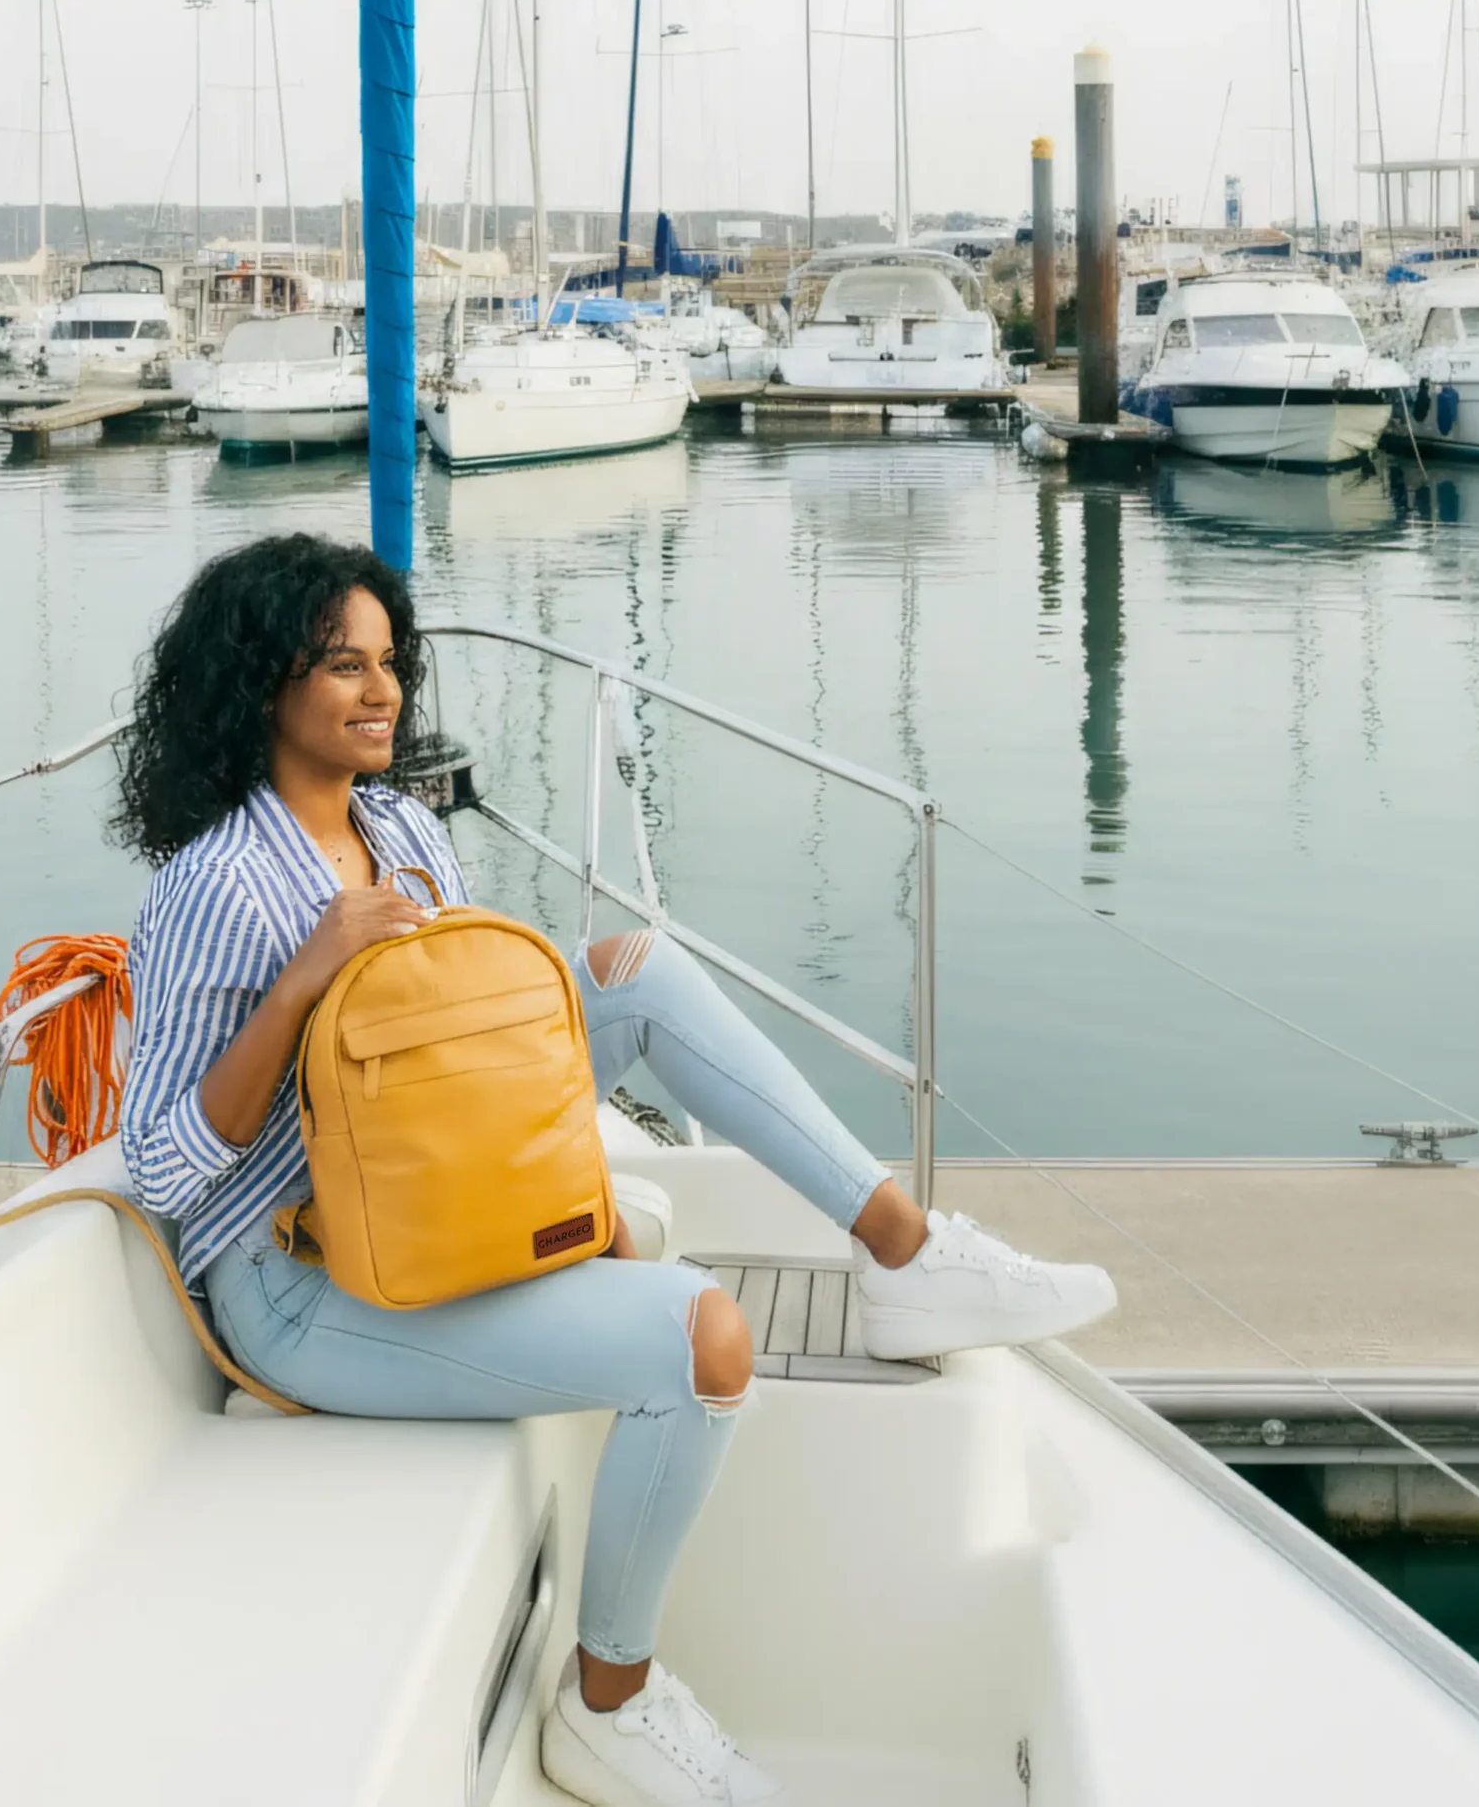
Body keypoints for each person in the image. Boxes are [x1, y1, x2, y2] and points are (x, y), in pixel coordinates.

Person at [113, 534, 1118, 1807]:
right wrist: (310, 969)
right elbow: (160, 1165)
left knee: (638, 973)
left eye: (387, 664)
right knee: (701, 1342)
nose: (382, 693)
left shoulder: (402, 825)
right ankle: (609, 1708)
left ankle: (906, 1253)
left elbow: (477, 1055)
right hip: (303, 1282)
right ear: (262, 685)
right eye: (339, 666)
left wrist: (562, 1204)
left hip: (431, 1192)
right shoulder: (213, 888)